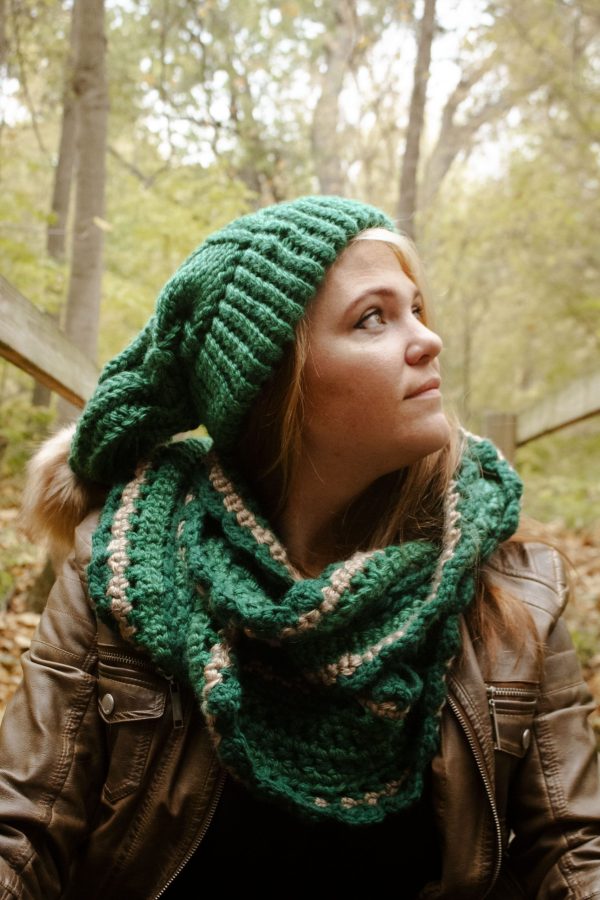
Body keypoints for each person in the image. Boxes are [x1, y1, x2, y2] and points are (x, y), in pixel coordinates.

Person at [0, 195, 598, 899]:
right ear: (271, 383)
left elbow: (576, 848)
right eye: (373, 317)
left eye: (416, 309)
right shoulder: (127, 566)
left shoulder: (516, 587)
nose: (428, 339)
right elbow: (23, 828)